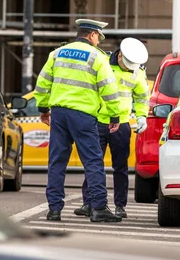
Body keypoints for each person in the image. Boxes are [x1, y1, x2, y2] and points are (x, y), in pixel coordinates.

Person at [34, 19, 123, 223]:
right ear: (92, 35)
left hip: (58, 114)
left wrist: (43, 108)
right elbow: (109, 89)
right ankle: (99, 208)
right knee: (93, 161)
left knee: (57, 162)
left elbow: (43, 82)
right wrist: (114, 114)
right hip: (83, 116)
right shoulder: (97, 57)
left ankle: (54, 210)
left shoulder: (57, 53)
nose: (99, 42)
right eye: (98, 38)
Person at [74, 37, 150, 219]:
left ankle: (120, 205)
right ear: (120, 55)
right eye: (128, 64)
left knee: (121, 168)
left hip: (122, 124)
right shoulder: (103, 64)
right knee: (93, 164)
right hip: (98, 121)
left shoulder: (137, 71)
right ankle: (89, 203)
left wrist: (142, 116)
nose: (129, 68)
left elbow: (141, 97)